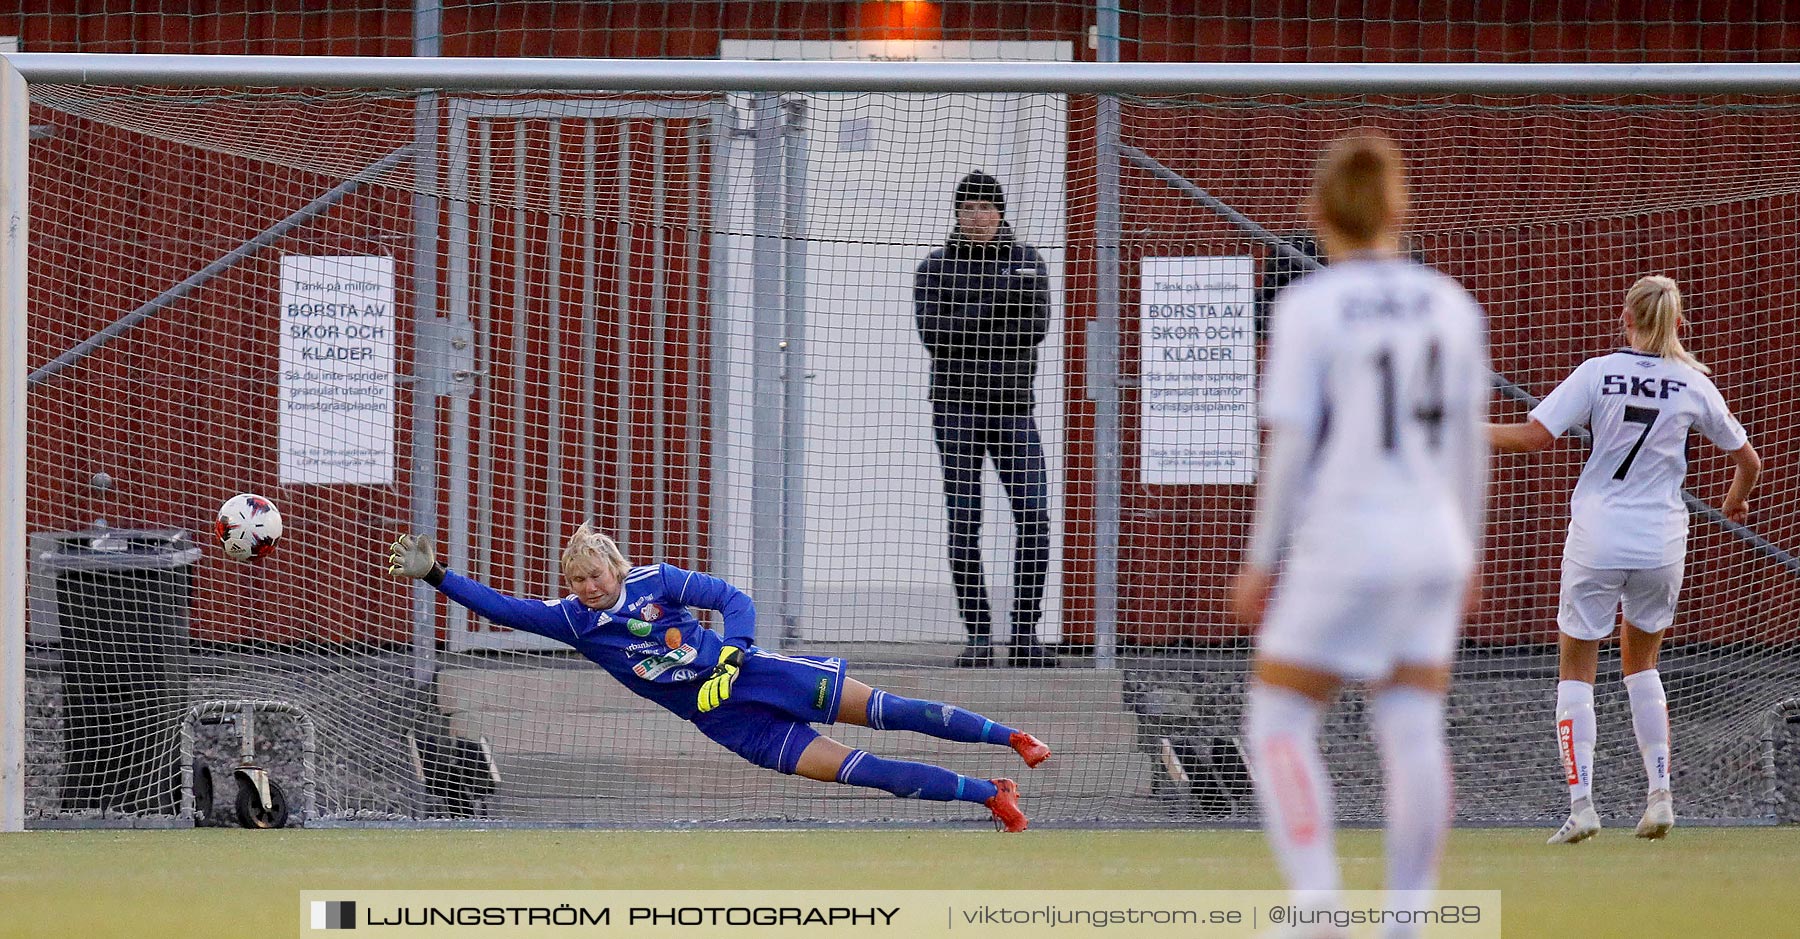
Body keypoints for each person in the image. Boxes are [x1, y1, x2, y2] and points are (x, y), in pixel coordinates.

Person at [1230, 133, 1489, 936]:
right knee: (1411, 721)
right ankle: (1406, 919)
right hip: (1435, 542)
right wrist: (1471, 546)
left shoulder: (1310, 306)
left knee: (1277, 715)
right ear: (1397, 209)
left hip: (1346, 537)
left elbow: (1292, 445)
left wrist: (1259, 558)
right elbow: (1468, 443)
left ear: (1317, 214)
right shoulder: (1451, 303)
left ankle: (1317, 905)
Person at [386, 523, 1051, 831]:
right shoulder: (574, 621)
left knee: (889, 708)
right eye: (577, 579)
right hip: (728, 720)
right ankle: (988, 793)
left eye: (595, 574)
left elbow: (734, 599)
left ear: (616, 568)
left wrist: (734, 650)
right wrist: (438, 575)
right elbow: (505, 607)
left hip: (759, 674)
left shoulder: (658, 579)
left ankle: (1011, 734)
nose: (587, 586)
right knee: (863, 769)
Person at [1487, 275, 1761, 844]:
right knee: (1642, 666)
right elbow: (1750, 461)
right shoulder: (1692, 384)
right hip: (1661, 540)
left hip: (1598, 535)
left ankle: (1582, 803)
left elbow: (1535, 437)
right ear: (1679, 324)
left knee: (1576, 670)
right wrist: (1733, 502)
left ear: (1626, 318)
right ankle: (1659, 794)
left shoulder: (1597, 372)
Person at [914, 170, 1056, 669]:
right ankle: (978, 636)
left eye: (986, 206)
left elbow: (1035, 326)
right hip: (955, 408)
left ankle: (1024, 633)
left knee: (1034, 516)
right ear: (957, 213)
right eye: (968, 206)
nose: (977, 216)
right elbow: (935, 333)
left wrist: (970, 315)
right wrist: (999, 303)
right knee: (964, 521)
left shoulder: (1027, 262)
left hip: (1013, 408)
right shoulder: (935, 267)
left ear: (1001, 212)